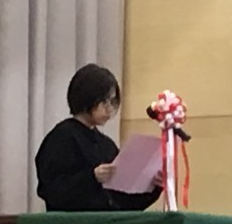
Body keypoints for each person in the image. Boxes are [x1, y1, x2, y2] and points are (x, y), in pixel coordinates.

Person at [35, 64, 163, 212]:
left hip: (108, 221)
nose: (109, 108)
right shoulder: (62, 137)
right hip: (74, 222)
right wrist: (92, 177)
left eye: (113, 102)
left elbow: (123, 201)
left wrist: (153, 186)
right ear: (86, 97)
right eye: (104, 101)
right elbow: (51, 189)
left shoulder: (106, 145)